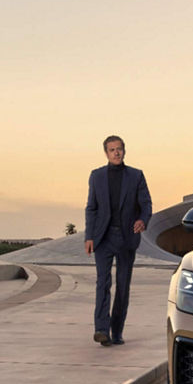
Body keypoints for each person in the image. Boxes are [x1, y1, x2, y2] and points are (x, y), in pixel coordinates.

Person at [84, 136, 152, 346]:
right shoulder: (96, 176)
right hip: (102, 237)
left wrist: (142, 219)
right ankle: (101, 329)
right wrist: (89, 236)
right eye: (112, 150)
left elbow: (146, 204)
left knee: (123, 285)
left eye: (119, 149)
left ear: (124, 151)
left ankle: (117, 331)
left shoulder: (136, 176)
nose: (116, 153)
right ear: (106, 153)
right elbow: (91, 208)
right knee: (102, 282)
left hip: (126, 237)